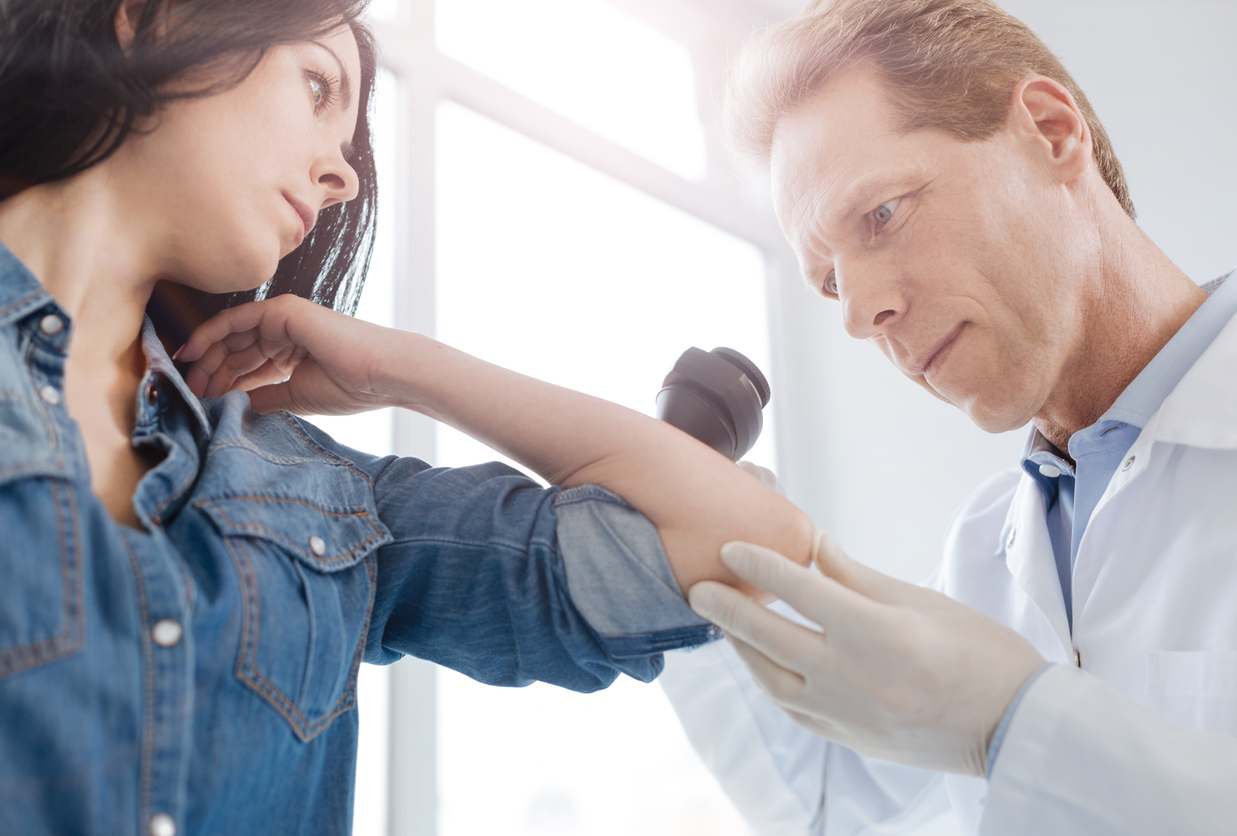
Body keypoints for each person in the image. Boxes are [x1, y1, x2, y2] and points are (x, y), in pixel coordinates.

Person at [0, 1, 813, 834]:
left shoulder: (316, 494)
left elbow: (741, 550)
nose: (344, 174)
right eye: (318, 85)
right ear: (151, 21)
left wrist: (406, 369)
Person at [658, 0, 1237, 834]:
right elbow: (835, 799)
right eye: (829, 281)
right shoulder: (983, 555)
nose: (858, 315)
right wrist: (692, 557)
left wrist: (1020, 722)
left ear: (1050, 133)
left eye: (882, 215)